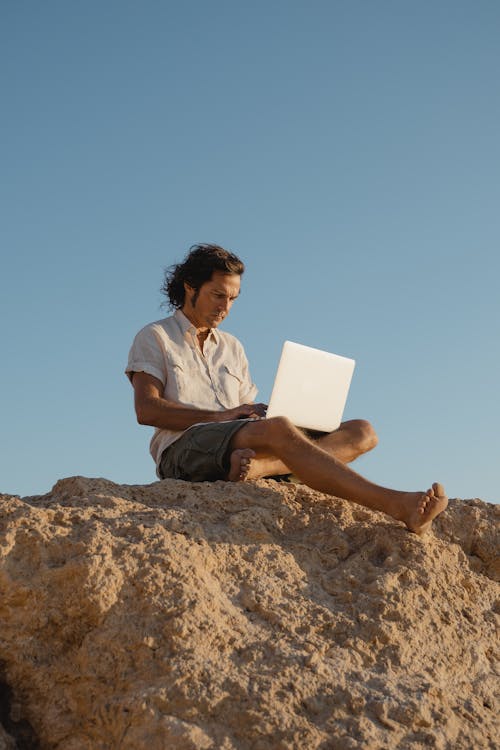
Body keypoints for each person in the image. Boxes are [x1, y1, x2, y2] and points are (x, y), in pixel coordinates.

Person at [126, 243, 447, 535]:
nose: (225, 307)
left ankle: (261, 468)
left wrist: (265, 413)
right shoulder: (155, 336)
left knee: (363, 432)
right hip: (183, 449)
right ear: (190, 287)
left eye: (233, 299)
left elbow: (246, 415)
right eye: (217, 294)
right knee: (278, 429)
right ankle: (397, 504)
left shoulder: (233, 348)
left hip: (238, 442)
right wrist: (221, 416)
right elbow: (147, 409)